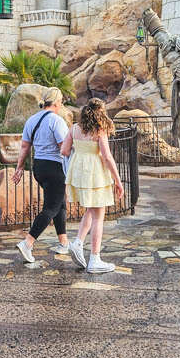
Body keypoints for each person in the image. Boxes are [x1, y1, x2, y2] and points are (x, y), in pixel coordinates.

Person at [61, 98, 125, 274]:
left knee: (91, 209)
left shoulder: (74, 128)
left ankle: (78, 243)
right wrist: (118, 181)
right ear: (101, 112)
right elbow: (107, 157)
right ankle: (95, 259)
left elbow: (64, 151)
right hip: (95, 174)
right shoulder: (99, 130)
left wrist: (80, 150)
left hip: (79, 172)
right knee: (99, 216)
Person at [12, 87, 71, 263]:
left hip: (39, 167)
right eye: (60, 102)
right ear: (55, 103)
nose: (61, 105)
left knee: (59, 204)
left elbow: (24, 146)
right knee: (51, 208)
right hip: (55, 167)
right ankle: (28, 243)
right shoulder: (57, 121)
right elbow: (64, 148)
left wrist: (20, 167)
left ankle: (64, 242)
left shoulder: (32, 120)